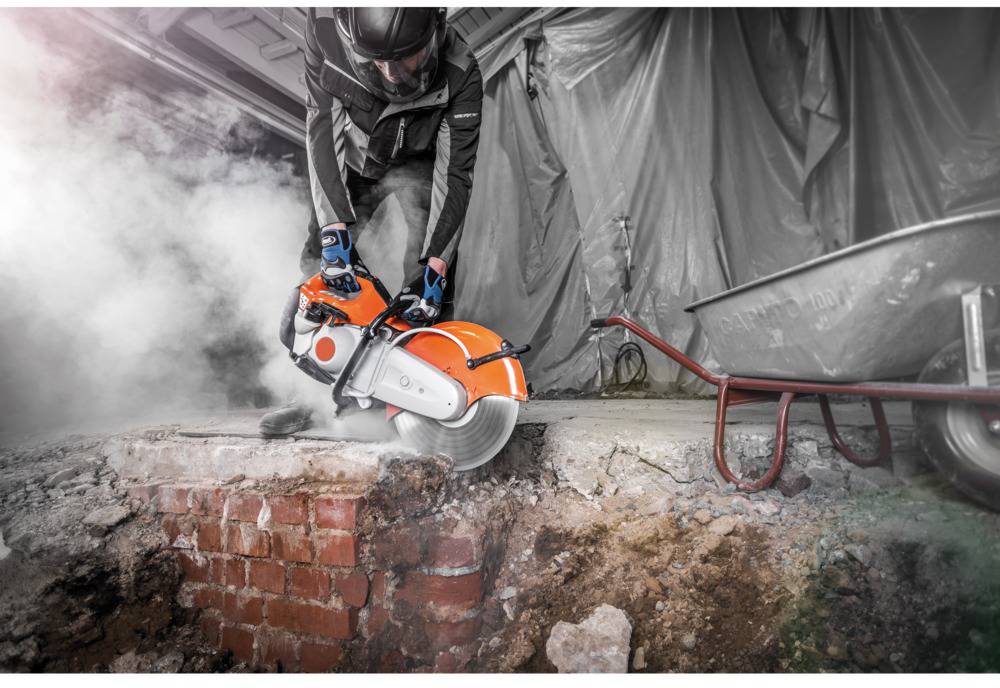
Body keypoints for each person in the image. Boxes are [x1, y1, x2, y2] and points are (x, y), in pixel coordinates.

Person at [259, 7, 484, 436]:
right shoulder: (325, 29)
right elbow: (321, 128)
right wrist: (333, 232)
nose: (392, 73)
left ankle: (418, 396)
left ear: (435, 30)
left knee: (430, 283)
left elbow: (456, 176)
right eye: (377, 61)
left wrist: (434, 268)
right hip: (358, 162)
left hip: (421, 163)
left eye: (406, 58)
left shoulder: (462, 71)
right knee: (322, 265)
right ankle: (317, 397)